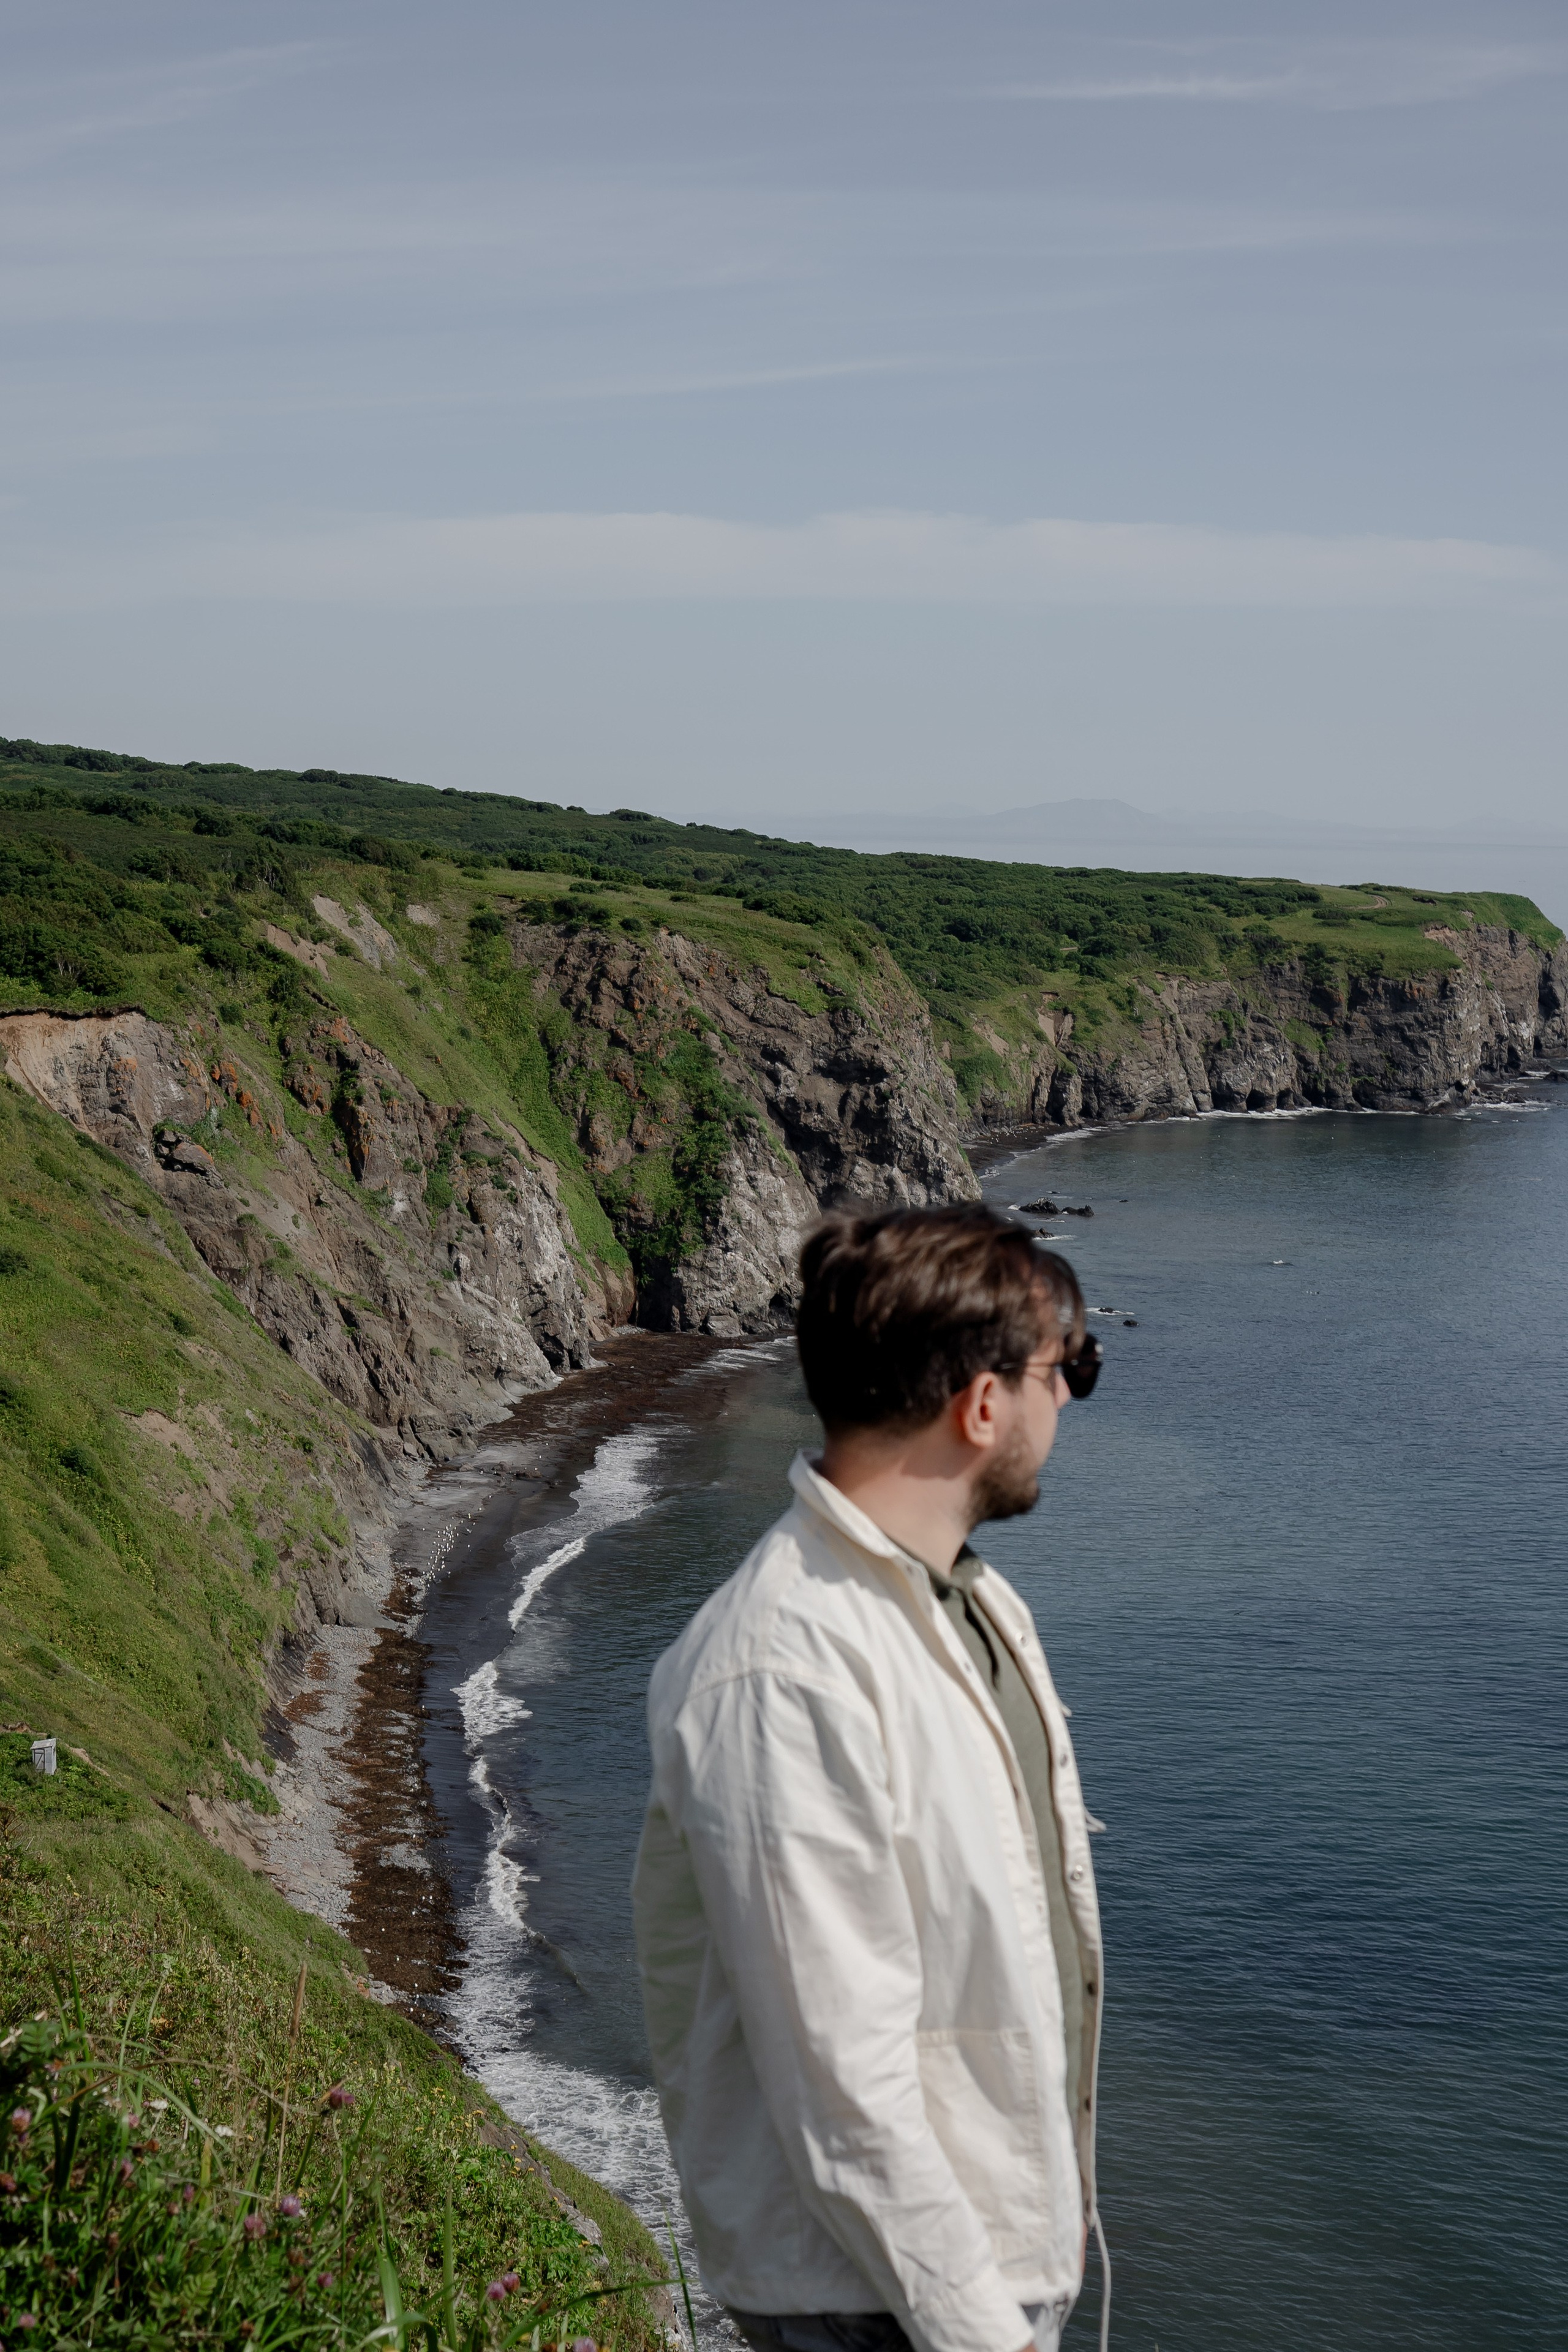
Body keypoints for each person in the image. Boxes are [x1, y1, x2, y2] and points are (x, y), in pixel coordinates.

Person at [631, 1204, 1108, 2352]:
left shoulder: (965, 1602)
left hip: (962, 2269)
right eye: (1070, 1368)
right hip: (876, 2303)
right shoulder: (780, 1671)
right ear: (982, 1403)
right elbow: (847, 2093)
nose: (1071, 1401)